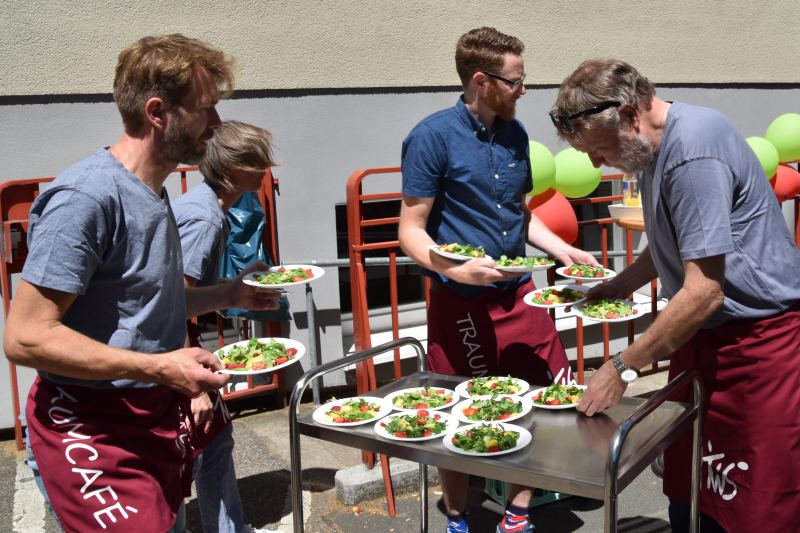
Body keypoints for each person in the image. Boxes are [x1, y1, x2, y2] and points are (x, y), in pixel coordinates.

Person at [3, 34, 282, 532]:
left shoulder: (152, 194)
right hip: (90, 426)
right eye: (205, 108)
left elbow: (147, 304)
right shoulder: (86, 197)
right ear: (158, 113)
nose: (216, 124)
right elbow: (25, 337)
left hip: (146, 416)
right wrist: (159, 367)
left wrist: (229, 293)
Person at [550, 58, 800, 532]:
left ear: (629, 115)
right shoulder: (649, 147)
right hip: (703, 338)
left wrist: (620, 366)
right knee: (691, 483)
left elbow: (704, 291)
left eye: (599, 149)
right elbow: (675, 242)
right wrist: (618, 285)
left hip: (758, 343)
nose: (595, 163)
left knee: (755, 498)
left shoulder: (692, 151)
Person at [398, 27, 597, 533]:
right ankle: (458, 516)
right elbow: (410, 230)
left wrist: (562, 248)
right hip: (460, 300)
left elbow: (519, 213)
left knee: (544, 397)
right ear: (480, 81)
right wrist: (452, 267)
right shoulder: (431, 137)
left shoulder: (516, 134)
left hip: (520, 294)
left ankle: (518, 511)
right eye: (515, 81)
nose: (523, 89)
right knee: (461, 407)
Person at [173, 120, 276, 533]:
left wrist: (237, 288)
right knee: (192, 452)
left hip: (179, 346)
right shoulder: (205, 218)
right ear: (233, 169)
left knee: (214, 442)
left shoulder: (207, 207)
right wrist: (194, 388)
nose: (266, 168)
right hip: (173, 351)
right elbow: (175, 303)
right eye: (257, 160)